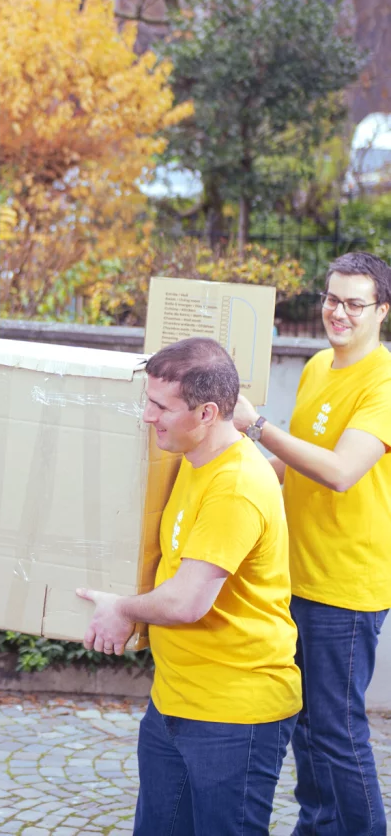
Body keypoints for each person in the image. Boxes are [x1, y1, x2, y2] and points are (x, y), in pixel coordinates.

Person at [78, 337, 302, 835]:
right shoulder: (192, 459)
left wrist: (122, 608)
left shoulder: (236, 486)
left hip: (233, 715)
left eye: (160, 406)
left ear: (206, 414)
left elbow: (187, 600)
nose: (146, 417)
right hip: (174, 702)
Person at [234, 251, 391, 836]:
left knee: (336, 729)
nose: (338, 312)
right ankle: (321, 824)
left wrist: (256, 424)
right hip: (296, 575)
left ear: (382, 312)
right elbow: (295, 465)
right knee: (306, 724)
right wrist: (235, 466)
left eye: (355, 303)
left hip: (346, 585)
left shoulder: (384, 382)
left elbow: (341, 470)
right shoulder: (319, 365)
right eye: (331, 299)